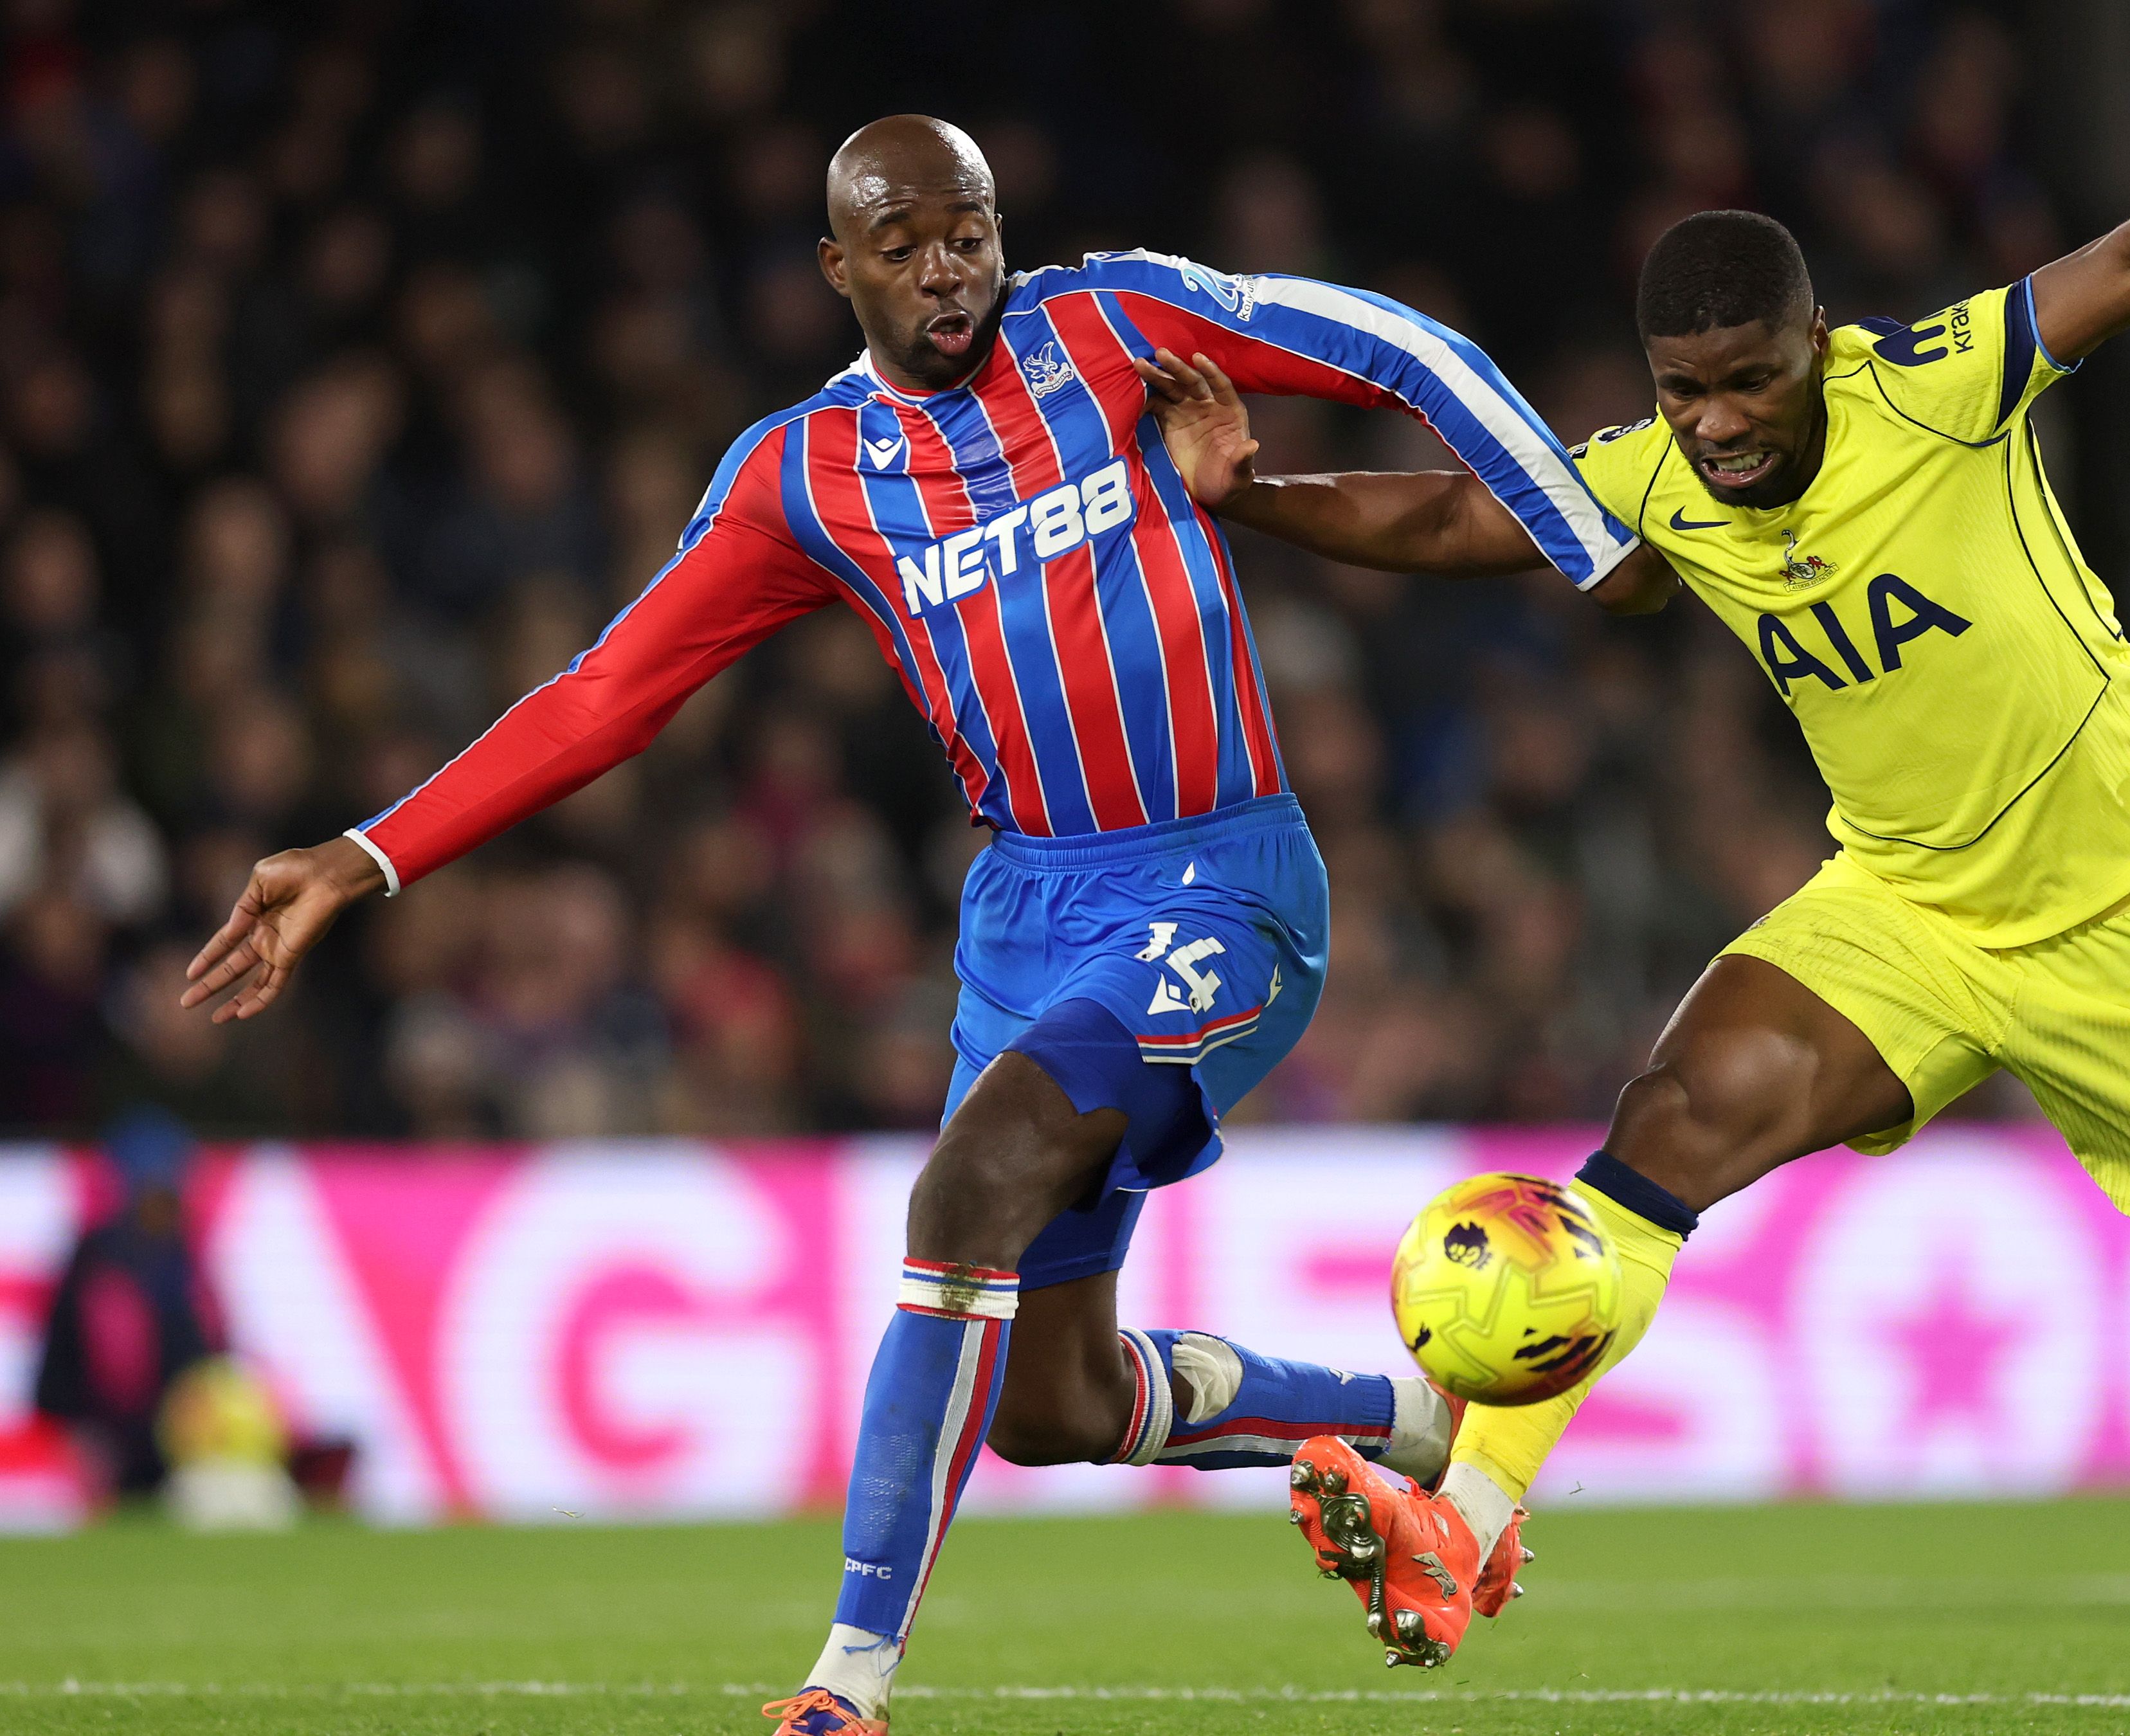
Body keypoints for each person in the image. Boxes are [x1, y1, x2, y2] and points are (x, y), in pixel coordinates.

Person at [1144, 59, 2130, 1733]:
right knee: (1663, 1128)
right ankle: (1470, 1521)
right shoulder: (1663, 479)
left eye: (1746, 383)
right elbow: (1467, 509)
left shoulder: (1939, 386)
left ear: (1812, 348)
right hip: (1902, 909)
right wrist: (1250, 498)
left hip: (2128, 912)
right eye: (1686, 392)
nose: (1717, 423)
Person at [176, 116, 1631, 1735]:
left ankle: (843, 1681)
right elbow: (605, 692)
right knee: (1050, 1403)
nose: (949, 267)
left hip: (1220, 875)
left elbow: (1389, 344)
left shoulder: (1110, 322)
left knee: (966, 1186)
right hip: (1027, 911)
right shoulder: (799, 475)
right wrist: (370, 855)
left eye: (970, 230)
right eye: (906, 242)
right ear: (837, 266)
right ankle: (1412, 1419)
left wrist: (1587, 538)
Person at [33, 1107, 222, 1503]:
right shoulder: (94, 1262)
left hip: (184, 1449)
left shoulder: (187, 1256)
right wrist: (78, 1432)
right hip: (109, 1451)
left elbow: (213, 1355)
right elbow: (58, 1369)